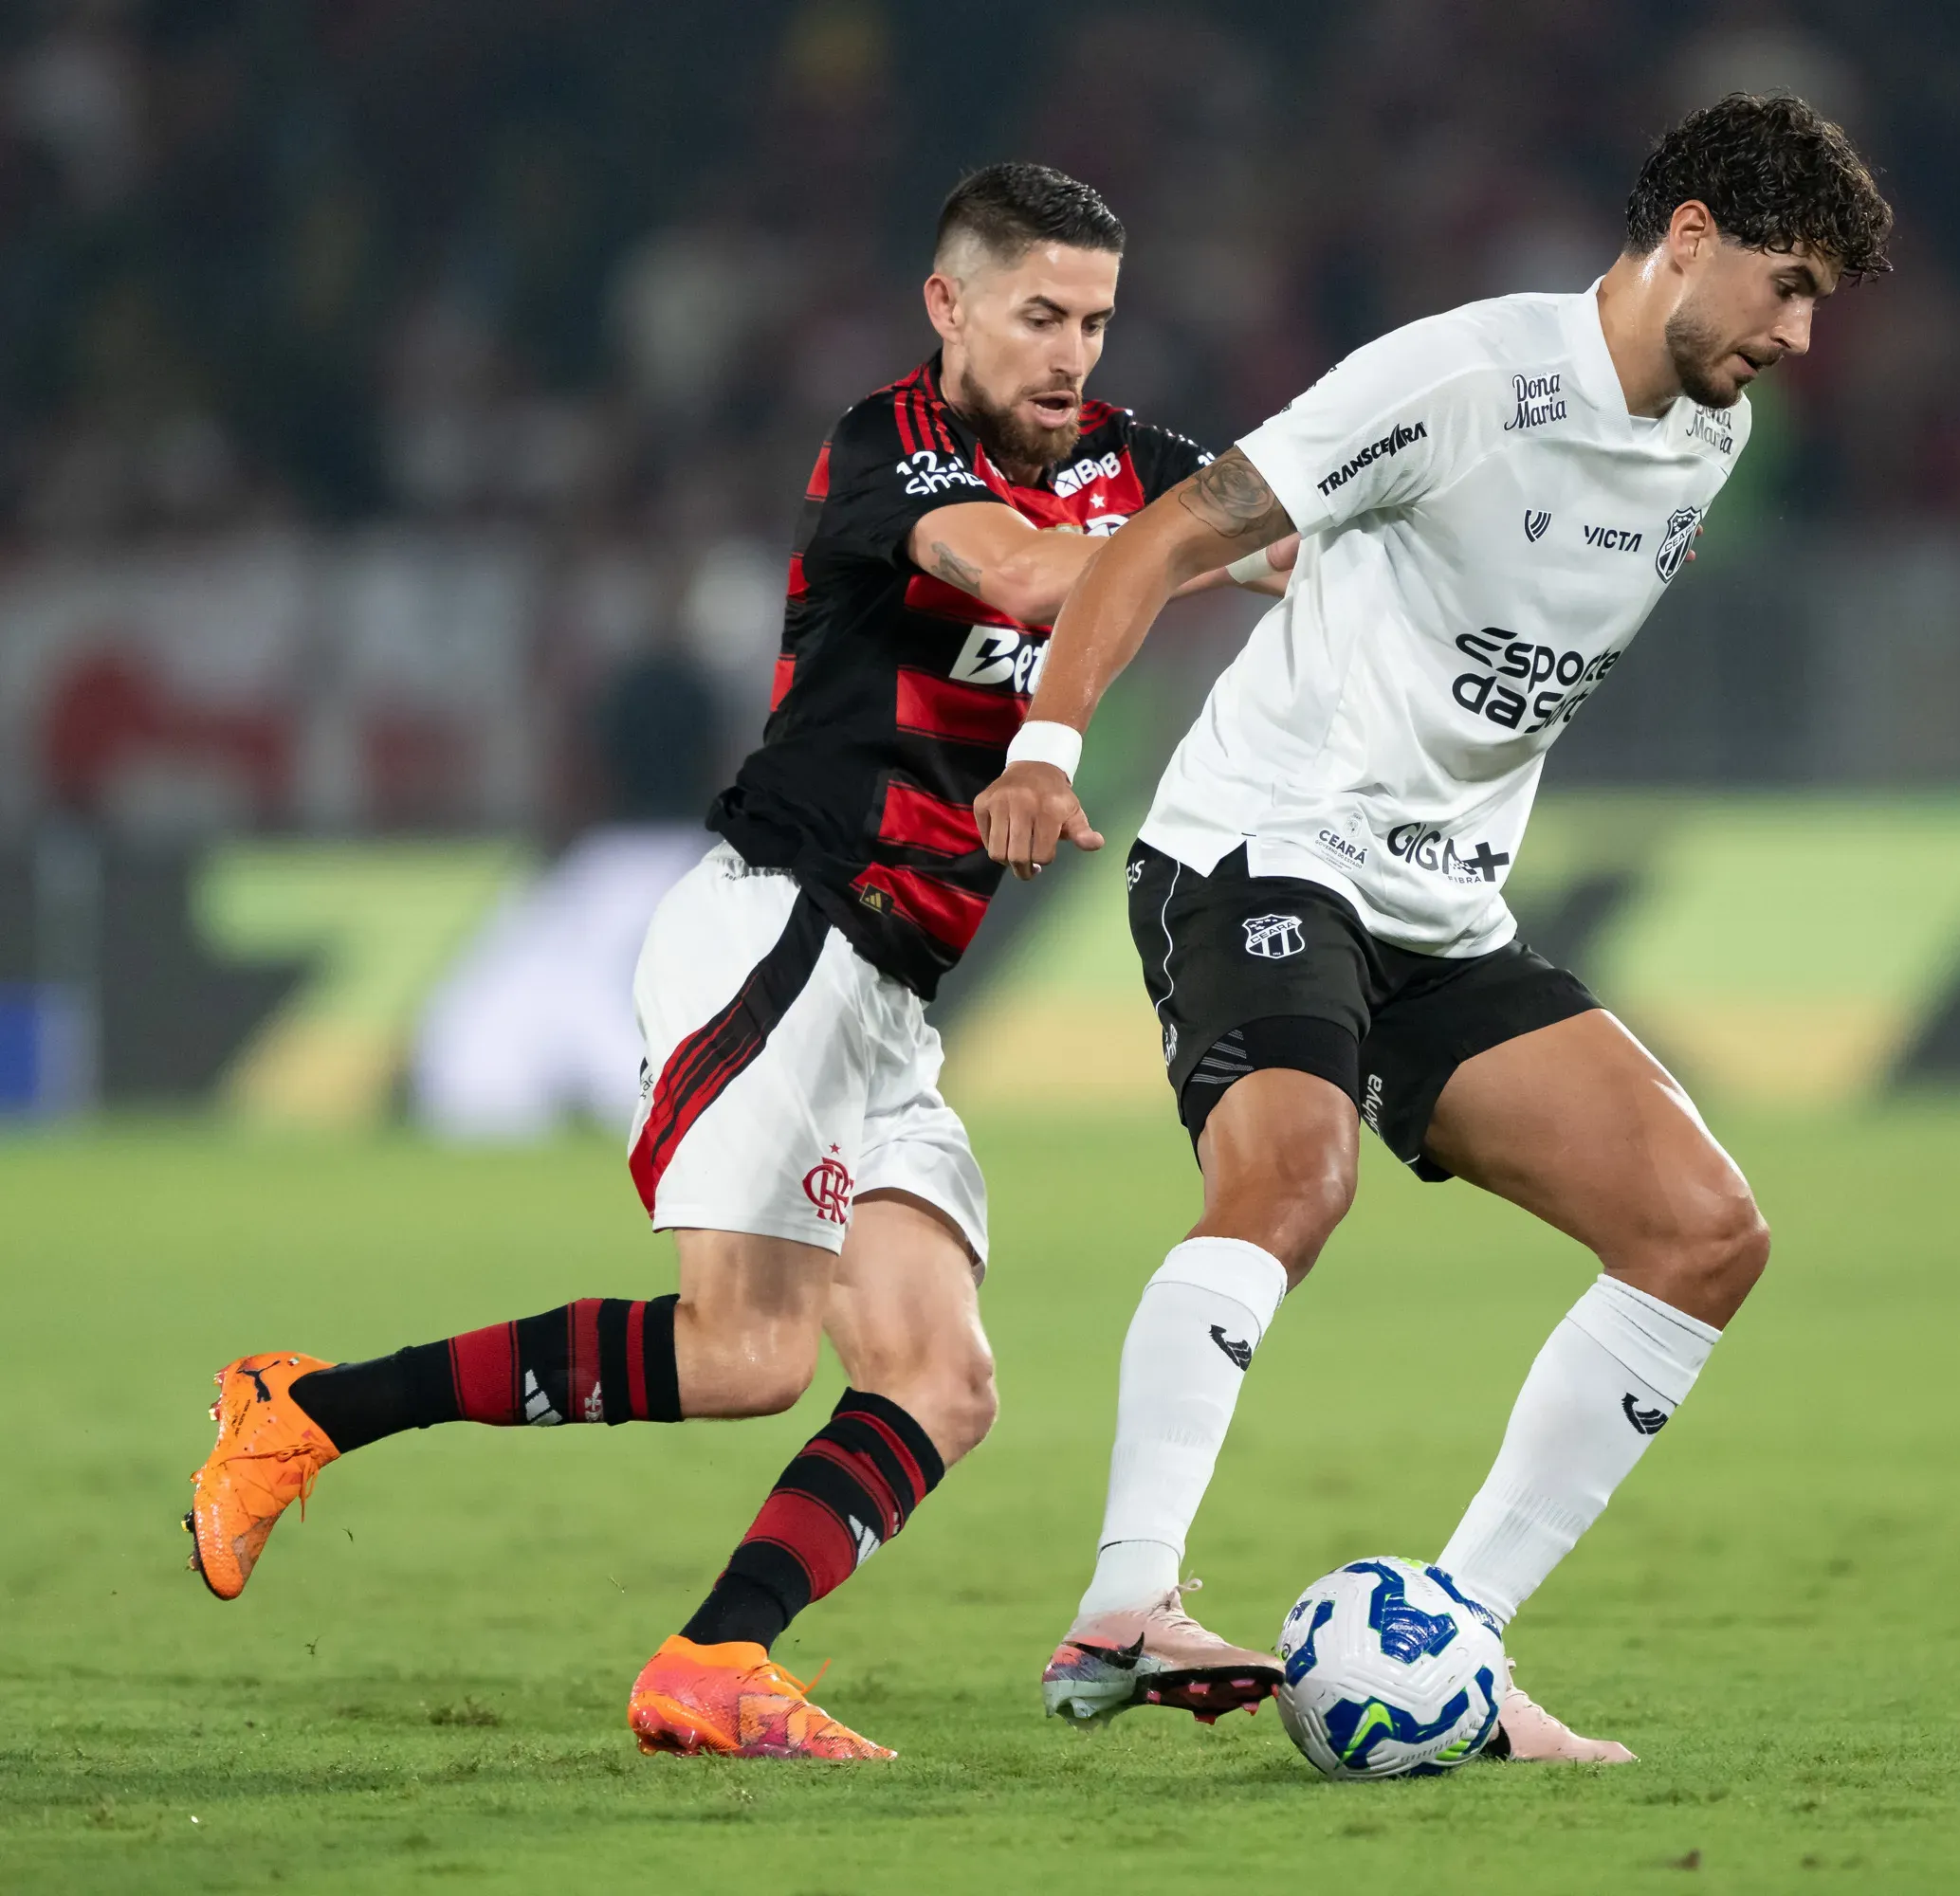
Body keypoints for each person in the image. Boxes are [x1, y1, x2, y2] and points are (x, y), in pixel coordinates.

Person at [186, 163, 1279, 1760]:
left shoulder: (1134, 466)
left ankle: (712, 1662)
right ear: (948, 306)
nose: (1070, 356)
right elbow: (1043, 579)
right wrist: (1199, 539)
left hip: (893, 994)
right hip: (782, 927)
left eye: (1097, 324)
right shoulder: (883, 450)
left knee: (938, 1377)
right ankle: (303, 1411)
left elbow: (1301, 528)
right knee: (750, 1356)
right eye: (1038, 315)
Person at [974, 94, 1891, 1760]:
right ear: (1689, 236)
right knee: (1293, 1174)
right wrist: (1046, 742)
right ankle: (1126, 1596)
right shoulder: (1465, 379)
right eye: (1788, 282)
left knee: (1704, 1232)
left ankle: (1447, 1646)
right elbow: (1175, 537)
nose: (1801, 333)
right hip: (1262, 845)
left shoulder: (1710, 434)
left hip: (1441, 907)